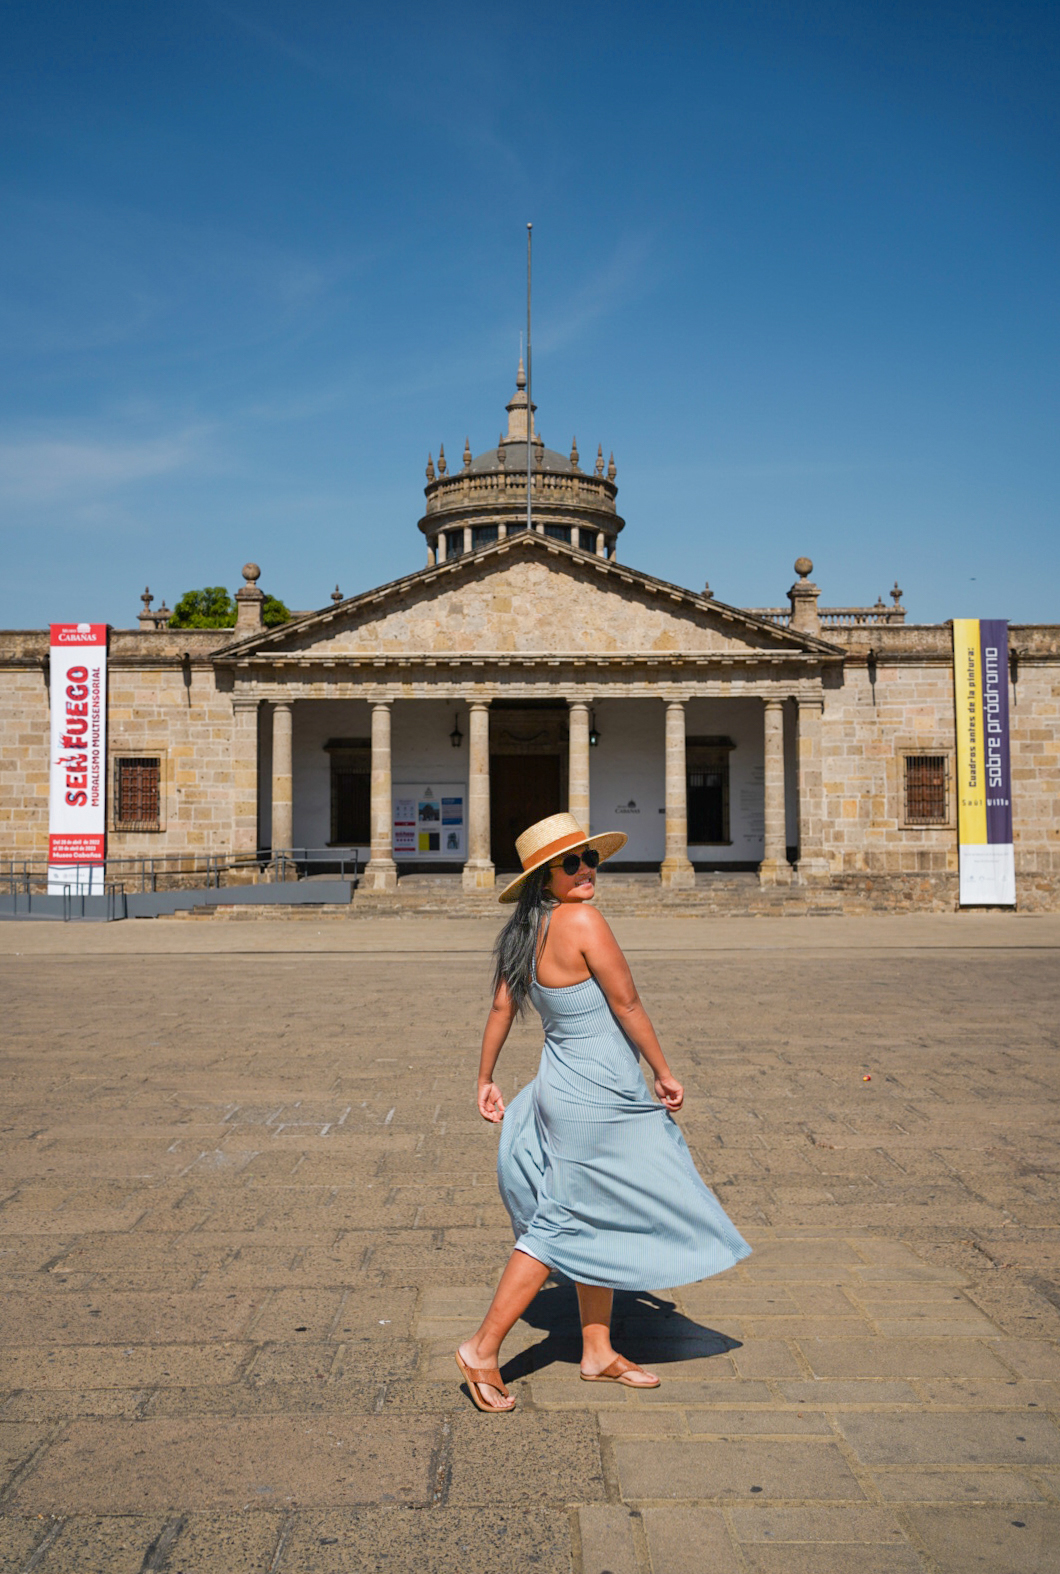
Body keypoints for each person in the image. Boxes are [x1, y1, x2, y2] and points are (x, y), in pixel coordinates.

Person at [455, 812, 751, 1413]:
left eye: (590, 859)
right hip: (597, 1092)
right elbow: (628, 1002)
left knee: (598, 1209)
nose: (586, 870)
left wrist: (485, 1078)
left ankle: (596, 1349)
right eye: (571, 864)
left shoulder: (523, 932)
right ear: (546, 877)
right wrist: (664, 1072)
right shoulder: (582, 920)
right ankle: (482, 1348)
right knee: (565, 1218)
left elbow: (500, 1010)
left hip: (560, 1086)